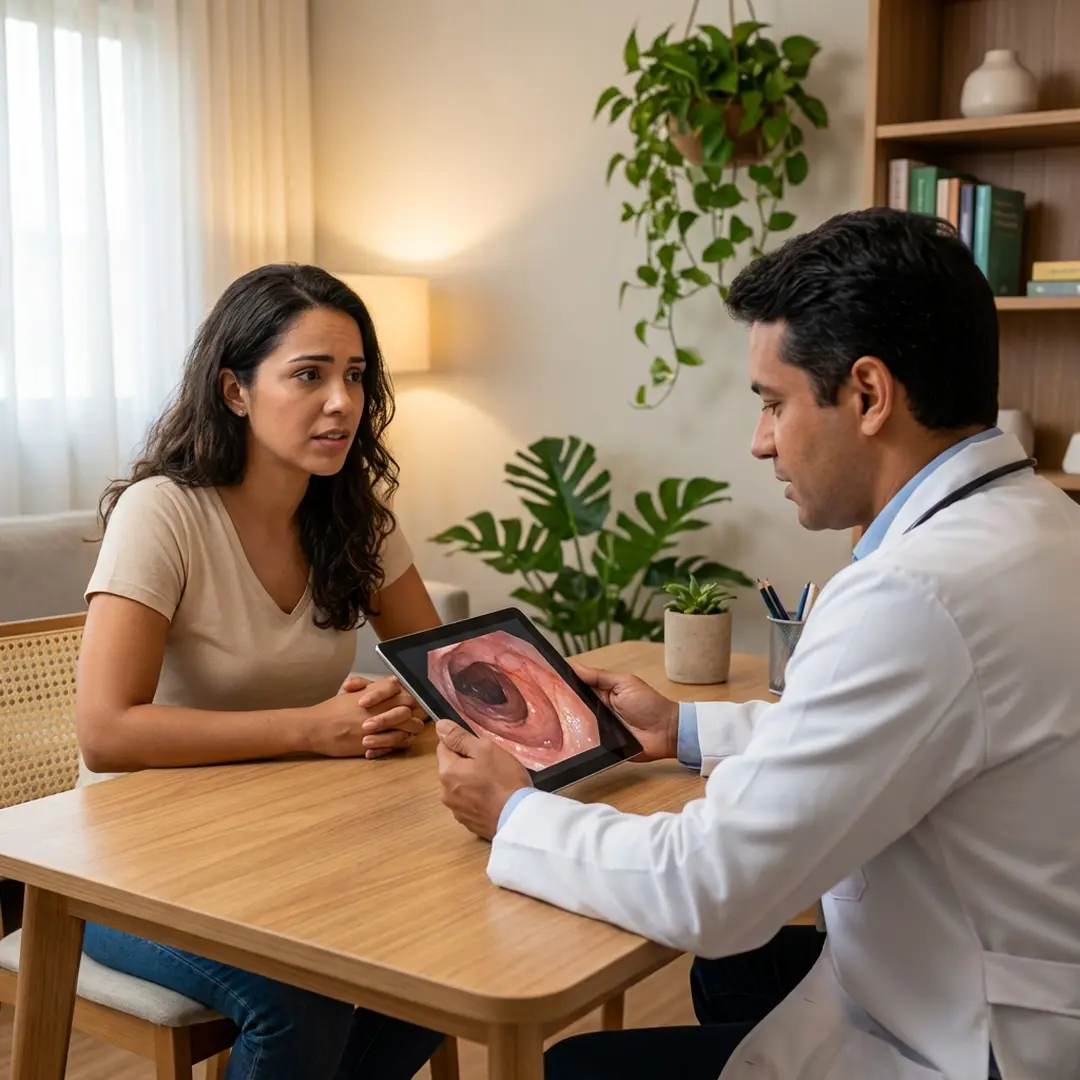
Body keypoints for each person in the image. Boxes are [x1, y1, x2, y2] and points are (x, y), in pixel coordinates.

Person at [435, 208, 1080, 1080]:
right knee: (735, 978)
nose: (760, 440)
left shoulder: (913, 596)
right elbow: (916, 731)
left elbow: (711, 890)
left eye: (774, 403)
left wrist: (515, 813)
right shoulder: (1041, 522)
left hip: (972, 1045)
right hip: (1009, 989)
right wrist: (683, 731)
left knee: (587, 1062)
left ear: (867, 393)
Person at [76, 264, 446, 1080]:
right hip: (125, 870)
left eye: (355, 376)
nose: (341, 401)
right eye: (308, 375)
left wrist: (400, 707)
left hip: (284, 845)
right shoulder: (164, 513)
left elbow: (443, 677)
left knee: (443, 959)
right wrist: (316, 729)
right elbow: (104, 733)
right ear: (236, 390)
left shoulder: (355, 517)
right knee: (300, 1004)